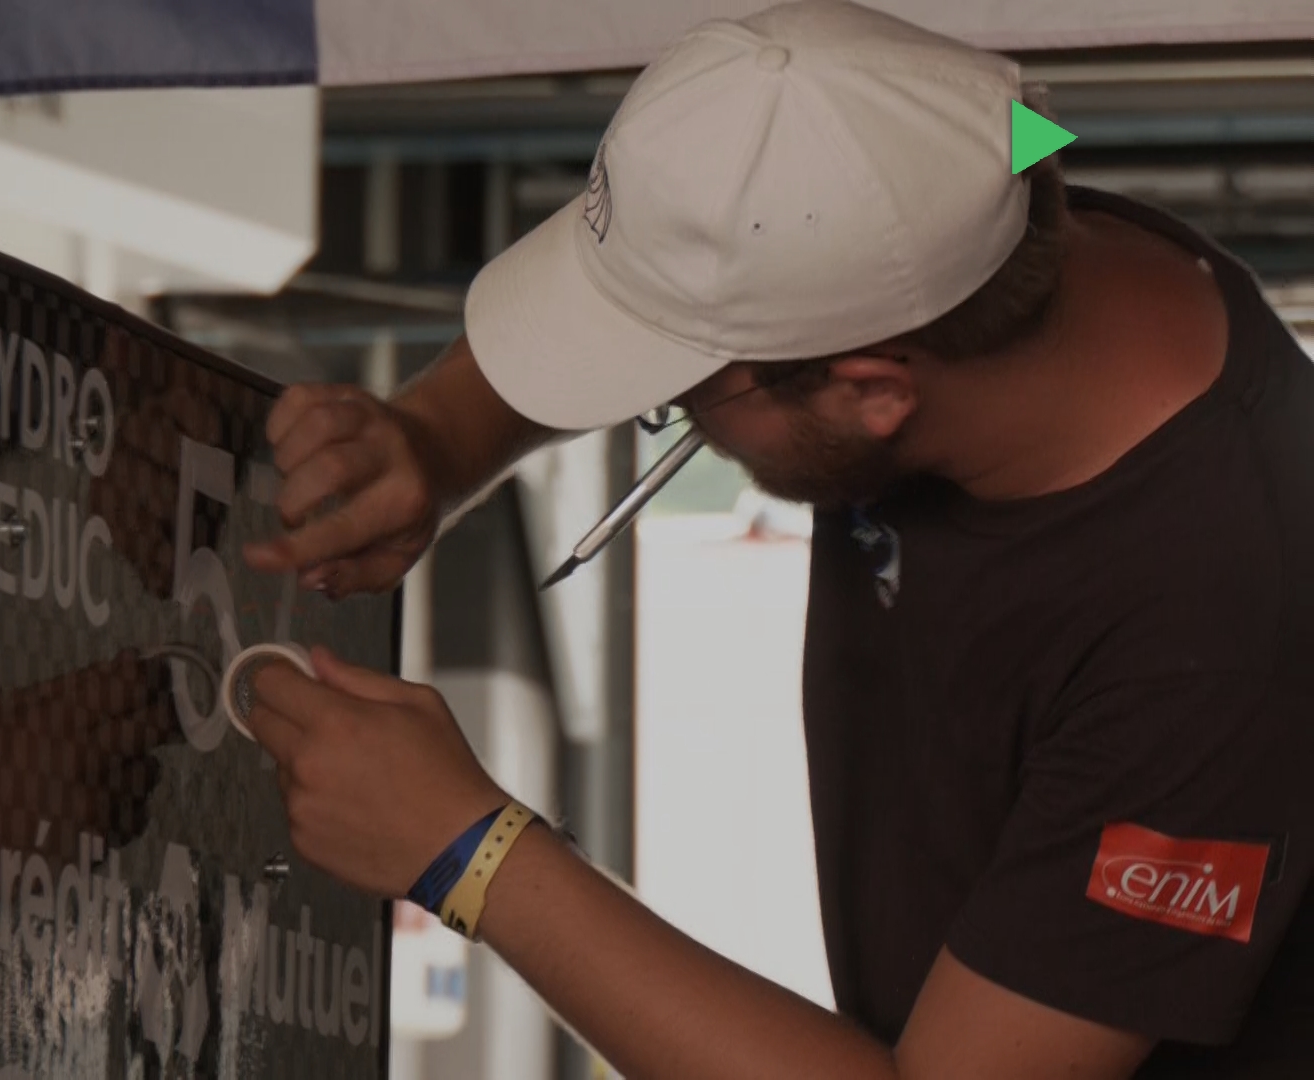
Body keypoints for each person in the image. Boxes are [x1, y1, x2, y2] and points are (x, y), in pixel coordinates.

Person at [235, 1, 1314, 1076]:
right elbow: (720, 274)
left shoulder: (1213, 643)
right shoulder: (967, 224)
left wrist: (475, 858)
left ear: (872, 391)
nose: (667, 411)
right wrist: (436, 438)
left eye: (677, 393)